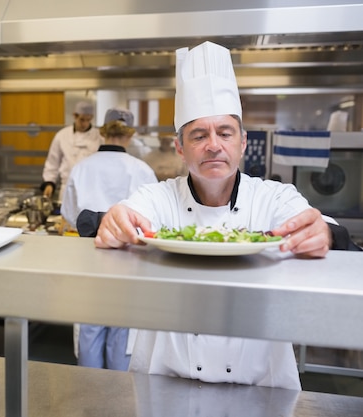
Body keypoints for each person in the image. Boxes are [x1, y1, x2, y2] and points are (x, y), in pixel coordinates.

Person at [94, 41, 334, 390]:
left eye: (225, 132)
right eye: (198, 135)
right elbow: (129, 213)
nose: (214, 145)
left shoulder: (274, 197)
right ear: (179, 147)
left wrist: (322, 233)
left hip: (261, 390)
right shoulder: (157, 197)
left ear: (243, 142)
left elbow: (312, 222)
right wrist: (115, 221)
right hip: (164, 384)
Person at [61, 107, 157, 370]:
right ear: (130, 134)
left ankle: (89, 400)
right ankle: (119, 401)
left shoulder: (81, 168)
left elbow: (70, 214)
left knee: (90, 326)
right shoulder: (142, 170)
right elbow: (152, 221)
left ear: (102, 131)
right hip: (129, 260)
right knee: (122, 330)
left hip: (90, 256)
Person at [40, 100, 104, 202]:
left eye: (88, 120)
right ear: (74, 116)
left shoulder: (99, 137)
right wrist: (49, 183)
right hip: (67, 189)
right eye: (82, 119)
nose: (85, 123)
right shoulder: (62, 135)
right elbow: (52, 162)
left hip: (91, 189)